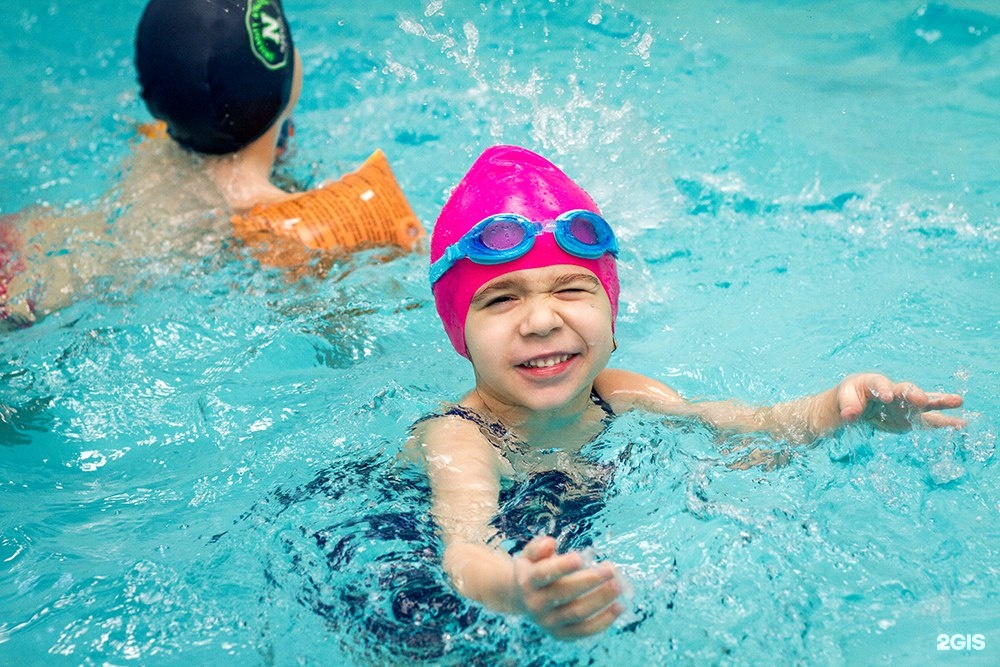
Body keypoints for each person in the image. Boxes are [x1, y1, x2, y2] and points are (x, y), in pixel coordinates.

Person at [405, 145, 966, 640]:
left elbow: (756, 430)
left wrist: (845, 406)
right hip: (419, 589)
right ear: (460, 333)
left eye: (572, 288)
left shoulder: (620, 393)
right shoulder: (458, 436)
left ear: (611, 311)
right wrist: (517, 592)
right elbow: (465, 547)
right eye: (501, 300)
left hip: (549, 565)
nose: (541, 321)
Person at [1, 0, 423, 326]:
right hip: (66, 303)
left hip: (36, 262)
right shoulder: (286, 231)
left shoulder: (152, 148)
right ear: (280, 65)